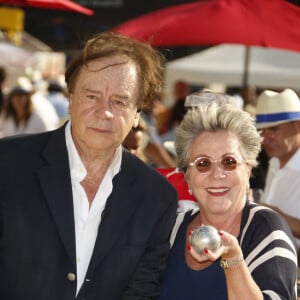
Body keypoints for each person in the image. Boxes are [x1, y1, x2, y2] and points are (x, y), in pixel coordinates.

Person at [0, 31, 178, 300]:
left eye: (119, 101)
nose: (104, 112)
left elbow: (141, 291)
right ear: (71, 100)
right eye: (92, 96)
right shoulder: (8, 164)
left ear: (136, 116)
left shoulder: (156, 196)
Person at [159, 94, 297, 300]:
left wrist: (233, 259)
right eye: (203, 164)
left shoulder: (267, 230)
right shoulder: (172, 229)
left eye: (229, 162)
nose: (217, 174)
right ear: (186, 176)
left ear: (248, 170)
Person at [256, 88, 300, 257]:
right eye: (262, 131)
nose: (265, 138)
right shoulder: (274, 161)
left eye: (273, 129)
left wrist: (275, 217)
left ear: (297, 126)